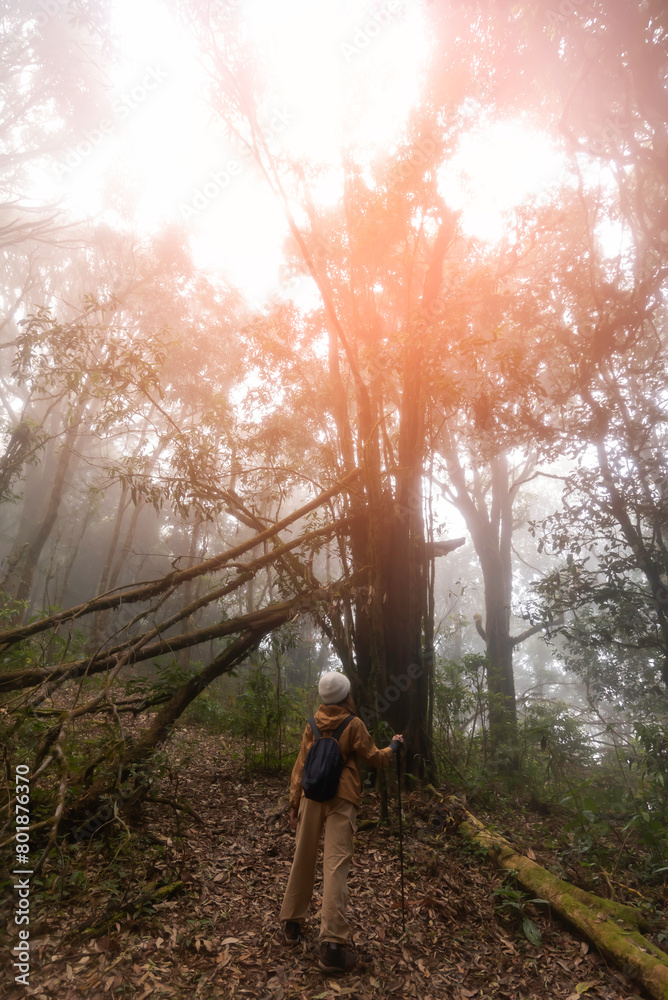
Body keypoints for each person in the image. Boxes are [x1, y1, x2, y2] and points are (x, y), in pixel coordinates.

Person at [279, 670, 404, 975]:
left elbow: (300, 765)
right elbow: (374, 758)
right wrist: (394, 747)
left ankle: (292, 924)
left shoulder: (312, 723)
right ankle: (332, 948)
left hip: (310, 796)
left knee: (302, 857)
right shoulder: (354, 723)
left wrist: (294, 802)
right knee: (335, 866)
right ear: (346, 695)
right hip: (342, 797)